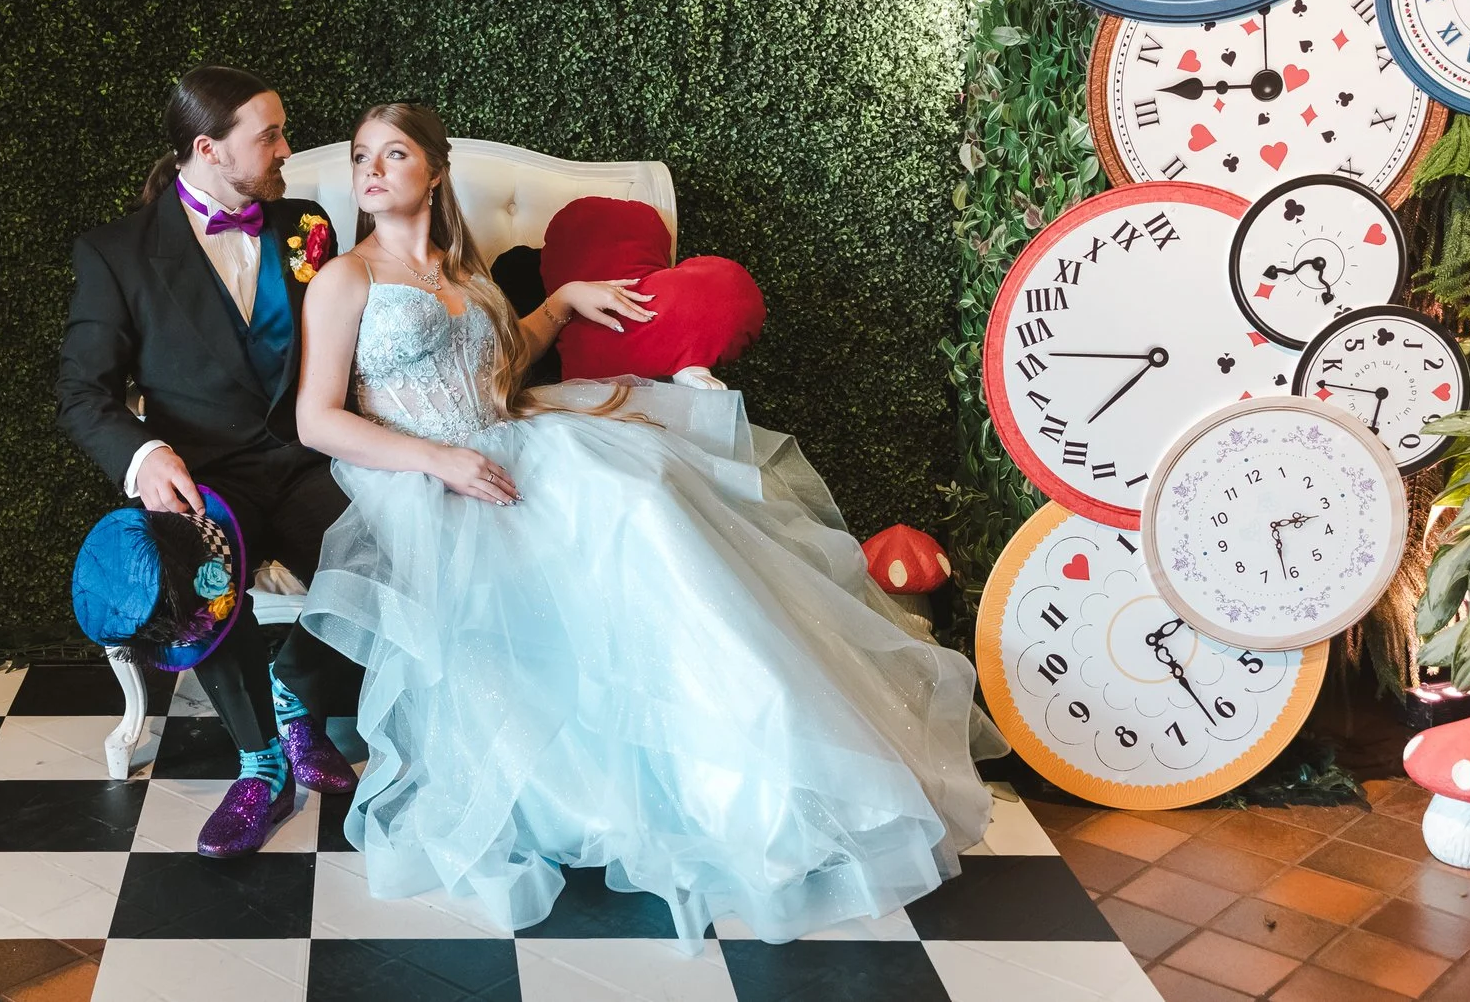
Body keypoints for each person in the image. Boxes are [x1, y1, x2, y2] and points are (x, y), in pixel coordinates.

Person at [294, 102, 1008, 946]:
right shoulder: (348, 277)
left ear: (435, 171)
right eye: (360, 156)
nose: (371, 170)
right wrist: (436, 462)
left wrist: (558, 304)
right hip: (427, 476)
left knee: (648, 499)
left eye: (394, 153)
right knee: (617, 520)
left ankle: (764, 763)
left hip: (513, 439)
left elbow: (498, 366)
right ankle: (630, 785)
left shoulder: (461, 265)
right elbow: (316, 417)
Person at [58, 66, 364, 857]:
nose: (286, 149)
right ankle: (261, 766)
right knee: (200, 562)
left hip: (303, 461)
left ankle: (295, 688)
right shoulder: (117, 252)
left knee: (387, 545)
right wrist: (146, 454)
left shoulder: (308, 227)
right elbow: (82, 396)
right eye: (270, 136)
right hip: (202, 476)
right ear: (208, 148)